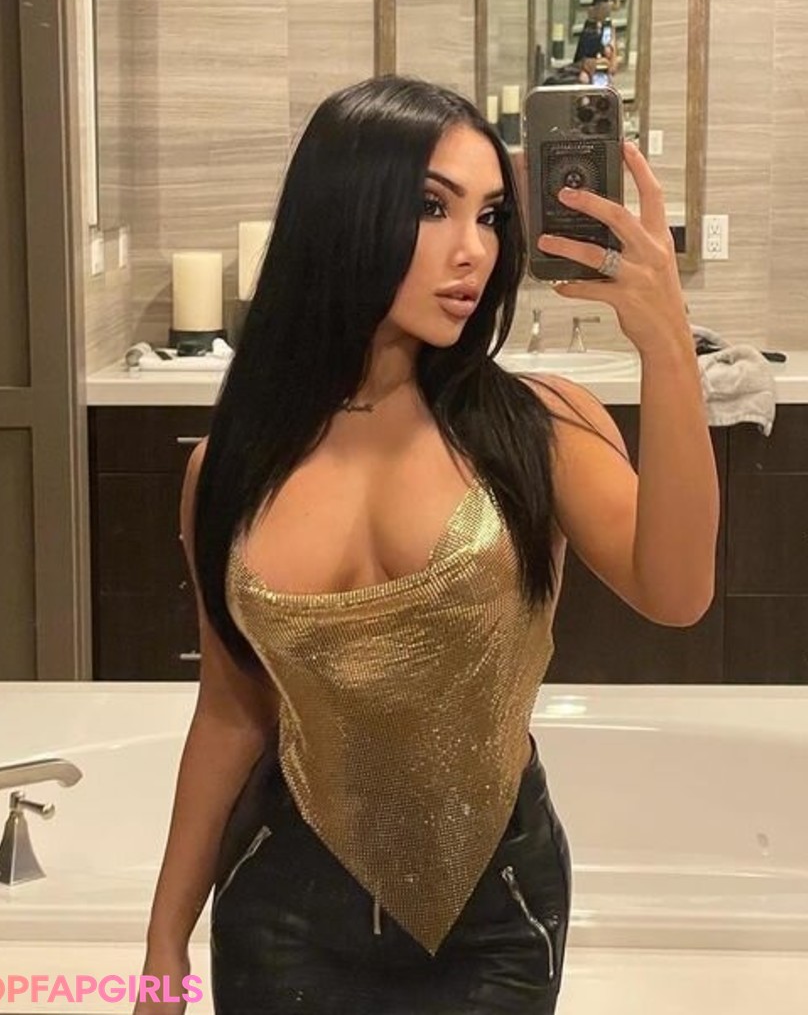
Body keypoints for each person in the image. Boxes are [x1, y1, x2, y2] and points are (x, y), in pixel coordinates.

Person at [135, 75, 718, 1015]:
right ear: (344, 211)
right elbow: (231, 712)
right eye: (432, 207)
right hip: (280, 906)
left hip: (497, 914)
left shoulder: (539, 426)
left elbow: (678, 590)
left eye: (490, 215)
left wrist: (668, 345)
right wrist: (164, 937)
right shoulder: (229, 467)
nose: (473, 249)